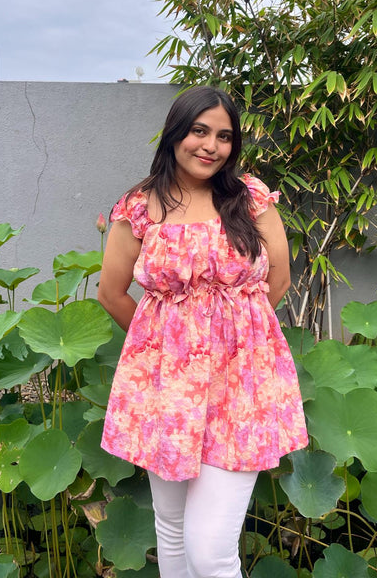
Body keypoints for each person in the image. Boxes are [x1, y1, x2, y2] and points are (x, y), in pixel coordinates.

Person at [98, 86, 308, 578]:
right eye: (199, 131)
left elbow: (278, 280)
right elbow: (111, 292)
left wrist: (234, 339)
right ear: (175, 133)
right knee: (171, 528)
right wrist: (165, 347)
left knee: (210, 551)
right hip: (168, 388)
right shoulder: (139, 206)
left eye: (224, 136)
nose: (211, 146)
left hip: (241, 385)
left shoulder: (249, 197)